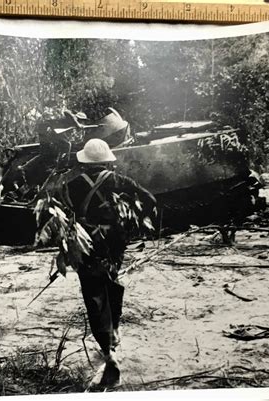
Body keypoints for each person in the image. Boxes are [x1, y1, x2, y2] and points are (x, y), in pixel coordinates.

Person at [65, 138, 156, 387]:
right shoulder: (120, 182)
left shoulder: (71, 185)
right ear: (106, 160)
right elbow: (150, 200)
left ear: (84, 162)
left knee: (93, 294)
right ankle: (114, 330)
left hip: (86, 243)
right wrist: (132, 220)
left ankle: (109, 353)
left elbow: (62, 213)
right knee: (111, 282)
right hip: (114, 243)